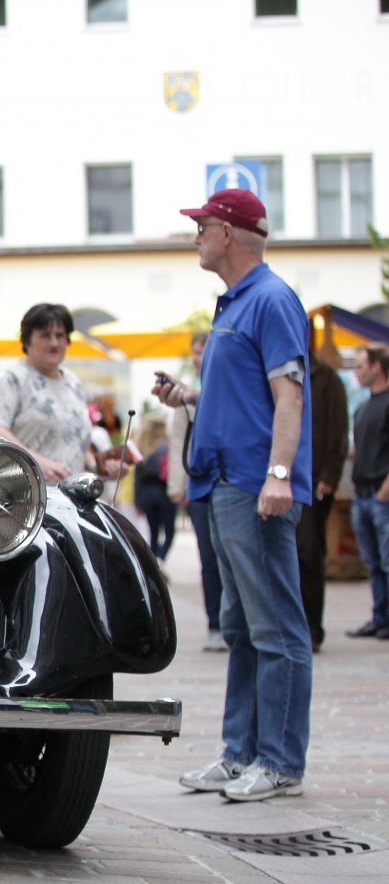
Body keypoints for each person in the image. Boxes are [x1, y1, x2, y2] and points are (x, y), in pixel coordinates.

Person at [156, 189, 312, 803]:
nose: (197, 236)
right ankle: (241, 753)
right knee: (243, 628)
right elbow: (248, 394)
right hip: (225, 483)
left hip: (251, 485)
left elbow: (289, 396)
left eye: (202, 226)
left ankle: (279, 762)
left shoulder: (270, 299)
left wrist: (280, 474)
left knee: (275, 628)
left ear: (227, 232)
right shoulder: (238, 303)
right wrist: (189, 397)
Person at [0, 302, 125, 485]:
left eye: (60, 335)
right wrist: (34, 462)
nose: (54, 343)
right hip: (24, 493)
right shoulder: (11, 377)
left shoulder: (72, 382)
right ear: (27, 340)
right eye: (45, 335)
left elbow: (73, 440)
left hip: (69, 494)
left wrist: (98, 466)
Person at [167, 331, 226, 651]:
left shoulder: (228, 387)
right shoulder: (184, 398)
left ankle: (235, 623)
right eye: (195, 352)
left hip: (229, 481)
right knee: (209, 558)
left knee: (233, 557)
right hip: (199, 484)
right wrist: (178, 485)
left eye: (203, 351)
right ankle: (216, 624)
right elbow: (179, 439)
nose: (198, 357)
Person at [297, 350, 348, 650]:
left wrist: (330, 475)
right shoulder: (272, 369)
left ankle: (312, 629)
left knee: (308, 552)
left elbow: (338, 430)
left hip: (314, 480)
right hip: (280, 477)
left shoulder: (328, 380)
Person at [346, 344, 389, 639]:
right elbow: (356, 450)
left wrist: (385, 489)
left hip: (380, 494)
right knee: (372, 563)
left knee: (386, 561)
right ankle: (380, 616)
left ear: (377, 367)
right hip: (361, 494)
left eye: (360, 366)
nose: (357, 372)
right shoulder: (362, 408)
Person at [132, 414, 175, 561]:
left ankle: (154, 560)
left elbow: (137, 478)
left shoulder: (142, 448)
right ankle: (160, 558)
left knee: (153, 532)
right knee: (169, 531)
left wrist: (138, 501)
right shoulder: (167, 446)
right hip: (165, 493)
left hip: (147, 495)